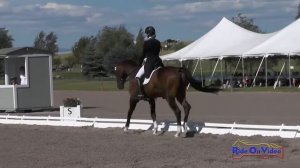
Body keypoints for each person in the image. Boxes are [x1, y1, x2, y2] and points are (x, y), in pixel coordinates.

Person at [135, 26, 164, 99]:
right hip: (158, 62)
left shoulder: (146, 43)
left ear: (148, 34)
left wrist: (139, 63)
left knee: (137, 77)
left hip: (149, 63)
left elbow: (143, 55)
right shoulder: (158, 42)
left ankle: (141, 93)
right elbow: (157, 53)